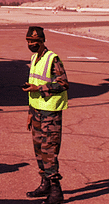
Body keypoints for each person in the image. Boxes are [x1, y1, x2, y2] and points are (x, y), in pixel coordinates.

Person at [22, 26, 69, 204]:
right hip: (36, 111)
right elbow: (33, 85)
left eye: (34, 41)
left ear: (42, 41)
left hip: (50, 111)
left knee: (49, 151)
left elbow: (63, 83)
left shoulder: (53, 59)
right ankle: (45, 184)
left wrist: (40, 88)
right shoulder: (34, 58)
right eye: (28, 41)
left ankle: (56, 192)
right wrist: (29, 113)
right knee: (38, 152)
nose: (31, 44)